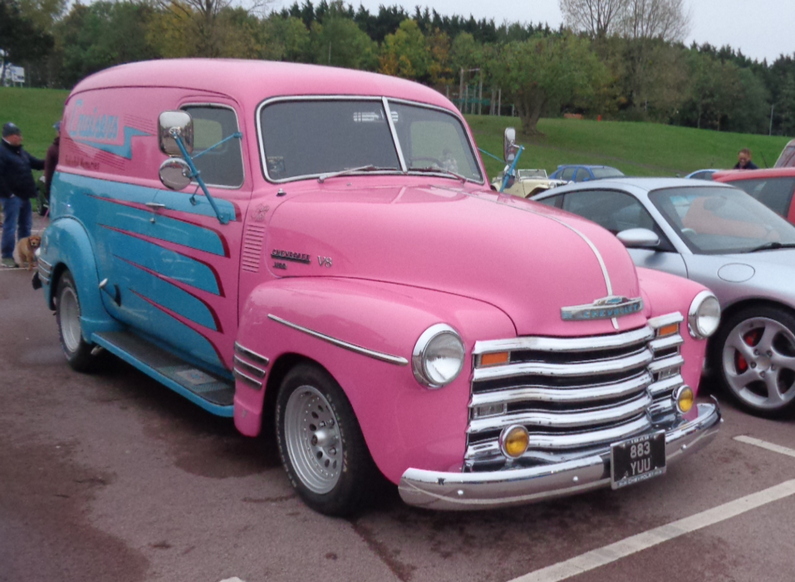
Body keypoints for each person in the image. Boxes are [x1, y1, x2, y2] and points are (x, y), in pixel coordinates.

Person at [0, 122, 45, 268]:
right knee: (10, 226)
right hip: (11, 197)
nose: (21, 138)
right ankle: (7, 256)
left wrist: (53, 161)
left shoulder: (20, 152)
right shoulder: (2, 152)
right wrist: (9, 194)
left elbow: (36, 163)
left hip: (24, 196)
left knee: (26, 226)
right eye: (18, 135)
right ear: (11, 136)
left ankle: (27, 254)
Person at [41, 120, 61, 216]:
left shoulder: (53, 149)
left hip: (56, 188)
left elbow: (48, 173)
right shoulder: (75, 148)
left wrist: (48, 192)